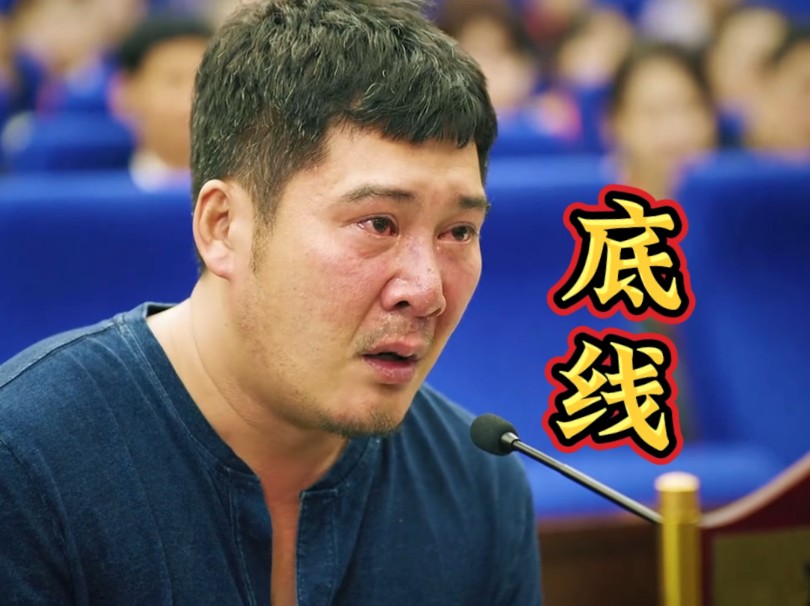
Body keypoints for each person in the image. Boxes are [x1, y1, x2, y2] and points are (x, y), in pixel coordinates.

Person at [0, 1, 542, 604]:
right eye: (378, 223)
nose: (428, 291)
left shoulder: (479, 484)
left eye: (459, 232)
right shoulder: (27, 464)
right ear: (223, 226)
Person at [110, 15, 213, 190]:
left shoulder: (244, 194)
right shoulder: (99, 187)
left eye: (204, 81)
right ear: (128, 92)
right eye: (174, 81)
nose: (192, 99)